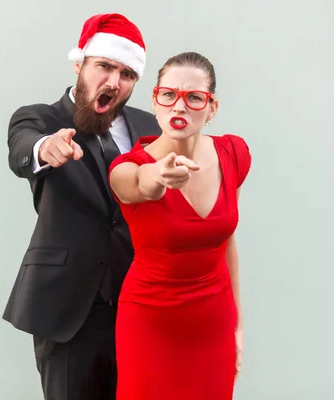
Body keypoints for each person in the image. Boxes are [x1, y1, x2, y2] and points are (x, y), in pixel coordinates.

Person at [2, 13, 160, 400]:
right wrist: (46, 149)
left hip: (138, 305)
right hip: (69, 307)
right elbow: (24, 148)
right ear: (80, 64)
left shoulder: (149, 126)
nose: (113, 81)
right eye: (104, 66)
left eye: (126, 74)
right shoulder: (40, 118)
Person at [108, 51, 252, 399]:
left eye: (194, 97)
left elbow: (225, 241)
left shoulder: (233, 154)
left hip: (213, 320)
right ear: (155, 102)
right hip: (150, 323)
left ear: (211, 107)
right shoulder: (127, 167)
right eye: (169, 95)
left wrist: (237, 323)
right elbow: (138, 183)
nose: (179, 106)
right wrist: (157, 175)